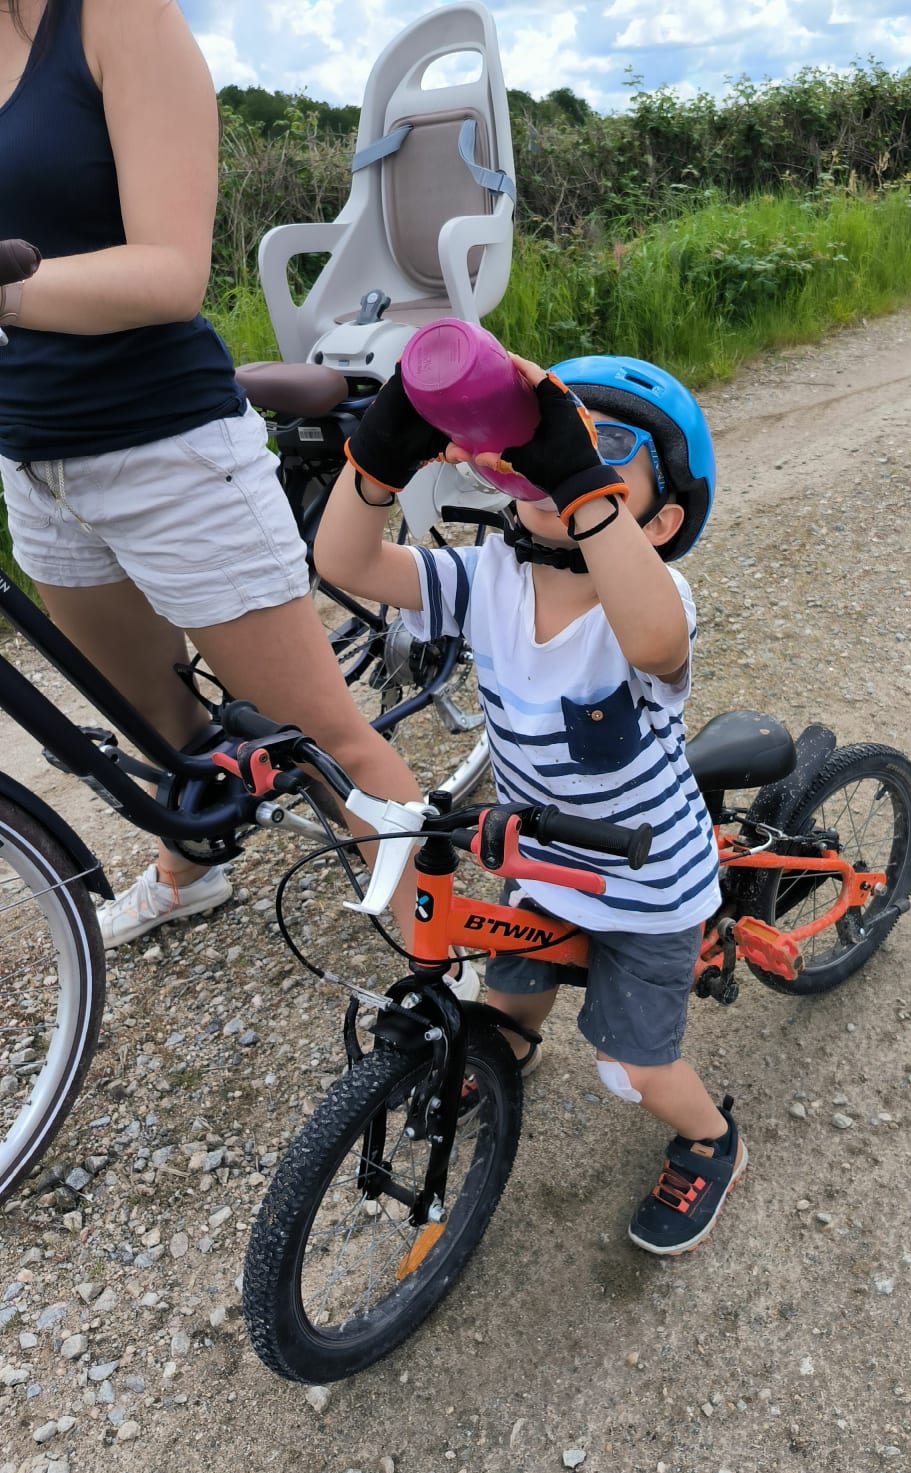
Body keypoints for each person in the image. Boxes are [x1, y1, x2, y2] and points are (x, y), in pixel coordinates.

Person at [0, 0, 439, 962]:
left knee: (322, 742)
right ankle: (191, 866)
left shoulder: (115, 18)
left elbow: (169, 273)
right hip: (33, 464)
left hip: (167, 454)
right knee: (161, 726)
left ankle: (448, 970)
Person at [314, 348, 749, 1257]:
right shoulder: (488, 578)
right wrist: (382, 450)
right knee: (508, 996)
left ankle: (714, 1139)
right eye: (556, 437)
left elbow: (655, 640)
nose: (566, 457)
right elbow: (343, 560)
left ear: (662, 519)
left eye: (606, 447)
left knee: (634, 1068)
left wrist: (580, 484)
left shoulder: (654, 597)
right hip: (540, 856)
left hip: (646, 883)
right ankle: (504, 1052)